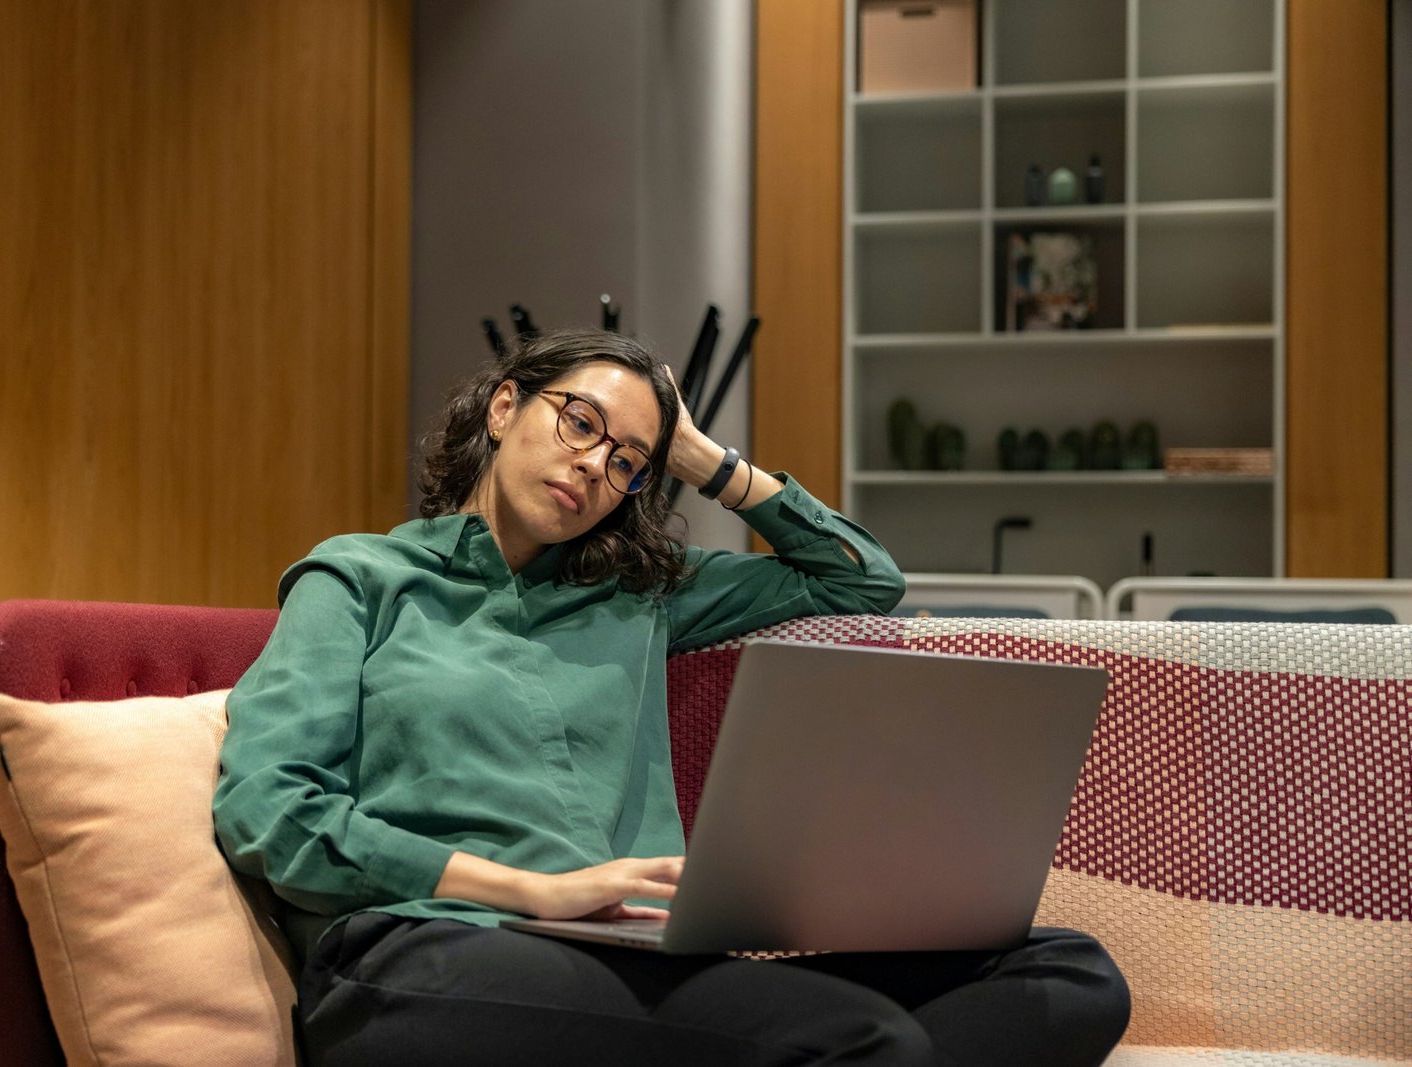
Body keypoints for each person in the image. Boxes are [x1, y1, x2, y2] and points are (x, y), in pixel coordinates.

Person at [213, 327, 1130, 1066]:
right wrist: (536, 891)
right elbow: (268, 807)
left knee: (1067, 976)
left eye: (627, 462)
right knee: (864, 1038)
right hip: (417, 954)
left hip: (622, 953)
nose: (593, 466)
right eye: (580, 422)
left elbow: (862, 579)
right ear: (503, 408)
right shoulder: (361, 576)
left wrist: (699, 455)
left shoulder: (639, 591)